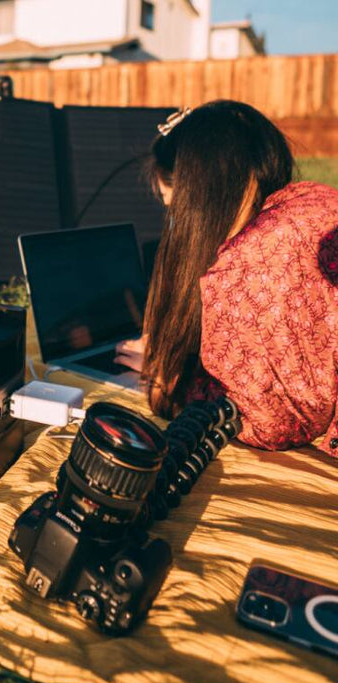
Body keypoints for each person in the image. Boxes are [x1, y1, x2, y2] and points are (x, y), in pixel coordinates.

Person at [114, 100, 338, 457]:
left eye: (175, 210)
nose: (174, 225)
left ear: (201, 198)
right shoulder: (313, 200)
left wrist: (172, 384)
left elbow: (273, 421)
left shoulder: (248, 262)